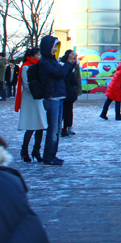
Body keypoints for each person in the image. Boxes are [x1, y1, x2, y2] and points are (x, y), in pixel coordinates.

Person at [0, 135, 51, 243]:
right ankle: (29, 152)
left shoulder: (9, 183)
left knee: (39, 128)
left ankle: (33, 152)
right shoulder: (11, 182)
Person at [37, 36, 75, 166]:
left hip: (57, 97)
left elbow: (63, 75)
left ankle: (52, 155)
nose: (55, 49)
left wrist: (70, 64)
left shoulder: (52, 62)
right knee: (53, 130)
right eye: (54, 46)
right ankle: (49, 156)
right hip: (52, 97)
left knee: (56, 129)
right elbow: (59, 75)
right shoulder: (45, 63)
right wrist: (69, 63)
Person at [15, 48, 47, 162]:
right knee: (31, 126)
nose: (39, 56)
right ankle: (24, 151)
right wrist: (37, 91)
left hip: (38, 98)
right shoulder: (26, 66)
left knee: (40, 126)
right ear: (32, 55)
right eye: (38, 54)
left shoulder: (38, 66)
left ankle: (36, 150)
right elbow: (26, 84)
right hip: (30, 99)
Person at [60, 50, 81, 137]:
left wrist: (78, 90)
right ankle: (65, 128)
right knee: (67, 111)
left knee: (65, 111)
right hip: (68, 93)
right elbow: (75, 81)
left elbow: (78, 78)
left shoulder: (74, 67)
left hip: (64, 92)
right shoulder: (67, 69)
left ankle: (65, 127)